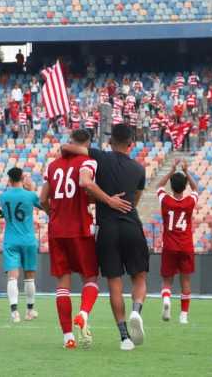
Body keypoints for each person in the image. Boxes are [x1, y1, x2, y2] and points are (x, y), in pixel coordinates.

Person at [61, 124, 146, 351]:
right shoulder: (139, 169)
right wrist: (121, 203)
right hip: (131, 225)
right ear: (131, 144)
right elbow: (135, 200)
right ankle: (136, 311)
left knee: (114, 284)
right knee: (139, 278)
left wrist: (107, 200)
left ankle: (124, 337)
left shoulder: (99, 157)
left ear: (110, 142)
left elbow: (68, 147)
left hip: (106, 229)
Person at [40, 129, 122, 349]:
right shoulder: (87, 161)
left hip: (57, 229)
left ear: (71, 141)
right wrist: (105, 200)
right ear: (87, 143)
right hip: (80, 228)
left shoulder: (53, 165)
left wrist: (53, 214)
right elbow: (86, 186)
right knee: (90, 278)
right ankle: (84, 313)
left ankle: (68, 337)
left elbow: (42, 199)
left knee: (62, 283)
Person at [156, 160, 198, 325]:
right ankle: (183, 315)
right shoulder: (189, 202)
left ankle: (167, 299)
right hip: (186, 246)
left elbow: (159, 187)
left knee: (167, 281)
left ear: (172, 186)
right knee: (185, 281)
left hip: (170, 246)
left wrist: (171, 170)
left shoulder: (165, 201)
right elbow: (196, 189)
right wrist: (187, 172)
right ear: (184, 186)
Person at [0, 167, 41, 323]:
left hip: (10, 239)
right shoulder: (30, 195)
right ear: (22, 178)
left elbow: (0, 215)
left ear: (9, 180)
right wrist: (32, 189)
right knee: (29, 277)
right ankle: (29, 311)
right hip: (28, 239)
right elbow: (43, 205)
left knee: (12, 277)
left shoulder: (3, 196)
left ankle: (14, 312)